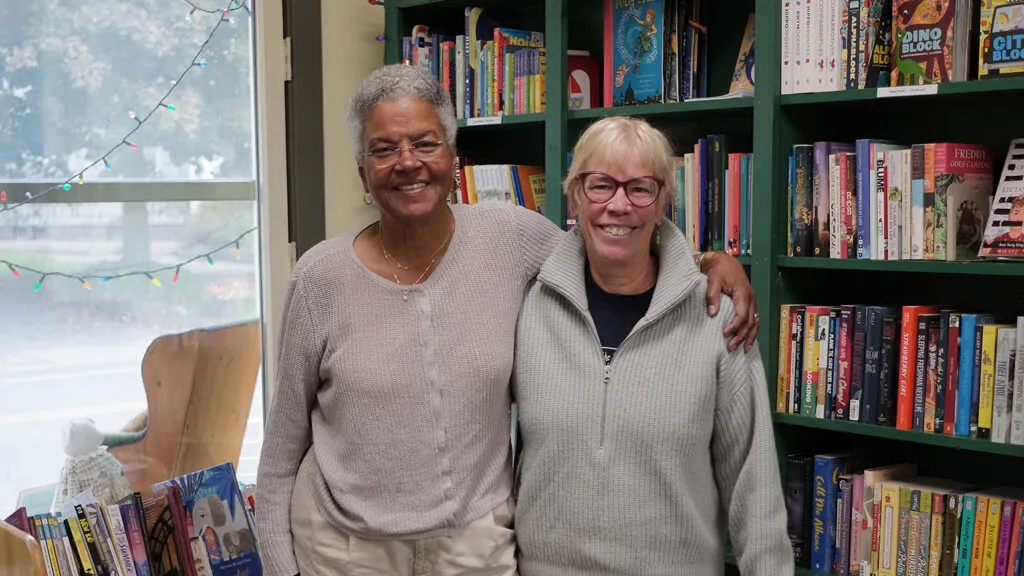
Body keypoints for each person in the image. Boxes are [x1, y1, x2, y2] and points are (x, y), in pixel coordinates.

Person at [255, 63, 761, 576]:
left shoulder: (511, 238)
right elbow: (279, 456)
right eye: (384, 149)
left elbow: (614, 243)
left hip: (474, 547)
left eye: (426, 144)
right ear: (362, 170)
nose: (407, 162)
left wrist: (707, 263)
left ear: (454, 159)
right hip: (342, 550)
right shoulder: (320, 278)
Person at [511, 116, 792, 576]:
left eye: (640, 188)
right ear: (575, 194)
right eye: (600, 185)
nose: (619, 205)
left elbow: (755, 490)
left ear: (664, 201)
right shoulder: (527, 306)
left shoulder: (718, 318)